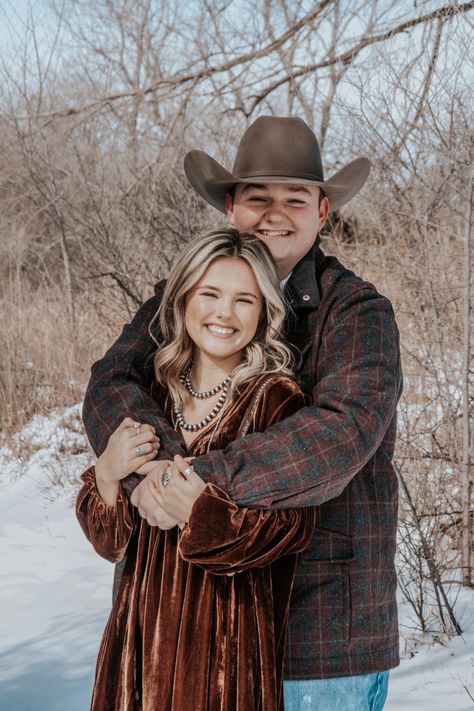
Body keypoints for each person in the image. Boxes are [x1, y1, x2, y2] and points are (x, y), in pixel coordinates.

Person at [83, 116, 403, 710]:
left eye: (295, 198)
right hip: (185, 639)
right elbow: (111, 381)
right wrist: (152, 467)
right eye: (258, 197)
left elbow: (341, 432)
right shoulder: (183, 296)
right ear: (231, 207)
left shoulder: (356, 311)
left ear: (323, 211)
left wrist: (199, 483)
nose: (275, 213)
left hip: (318, 641)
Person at [77, 228, 316, 710]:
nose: (224, 313)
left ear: (265, 312)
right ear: (184, 299)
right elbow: (109, 544)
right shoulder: (150, 393)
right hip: (137, 642)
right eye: (209, 294)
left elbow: (294, 524)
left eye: (244, 300)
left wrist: (203, 513)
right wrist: (106, 474)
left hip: (223, 648)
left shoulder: (276, 400)